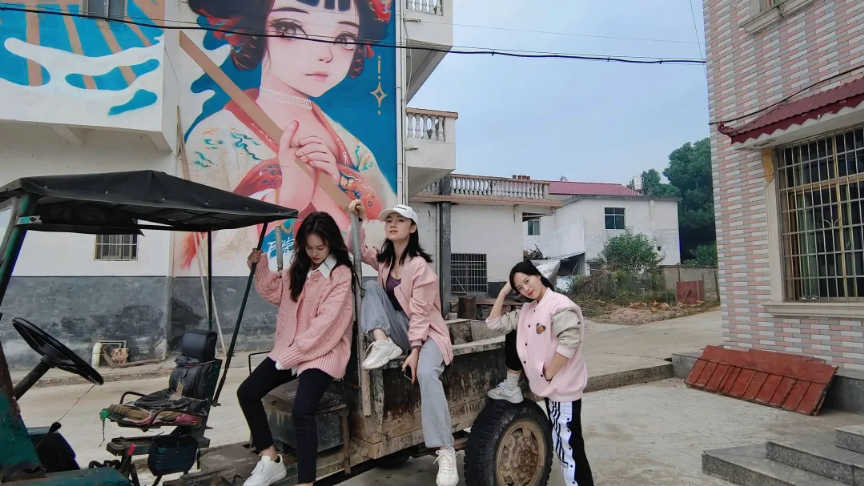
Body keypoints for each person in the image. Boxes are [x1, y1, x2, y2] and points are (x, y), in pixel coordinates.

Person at [182, 0, 396, 269]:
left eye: (344, 38)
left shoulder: (355, 150)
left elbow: (388, 239)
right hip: (276, 284)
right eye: (290, 28)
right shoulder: (215, 138)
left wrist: (334, 194)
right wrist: (284, 201)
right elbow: (192, 256)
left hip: (337, 284)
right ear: (256, 30)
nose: (325, 54)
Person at [237, 212, 355, 486]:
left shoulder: (340, 274)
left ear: (331, 244)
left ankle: (306, 482)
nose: (314, 254)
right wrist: (260, 265)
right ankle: (270, 458)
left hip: (323, 351)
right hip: (289, 348)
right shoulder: (298, 268)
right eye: (309, 247)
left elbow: (327, 325)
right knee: (247, 392)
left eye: (320, 248)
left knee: (302, 410)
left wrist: (293, 355)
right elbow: (275, 294)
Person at [347, 200, 458, 486]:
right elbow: (355, 248)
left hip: (428, 334)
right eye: (389, 220)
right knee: (371, 287)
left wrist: (416, 351)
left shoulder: (420, 267)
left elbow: (421, 315)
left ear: (412, 228)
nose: (393, 224)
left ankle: (445, 450)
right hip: (400, 332)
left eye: (400, 220)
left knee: (426, 373)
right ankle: (382, 342)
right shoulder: (385, 262)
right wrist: (358, 220)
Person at [486, 261, 594, 486]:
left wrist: (549, 373)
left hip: (562, 388)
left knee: (568, 446)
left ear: (538, 275)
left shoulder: (558, 305)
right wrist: (504, 292)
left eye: (527, 281)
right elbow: (494, 324)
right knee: (567, 443)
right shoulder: (528, 310)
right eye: (519, 287)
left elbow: (569, 341)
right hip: (551, 388)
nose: (525, 289)